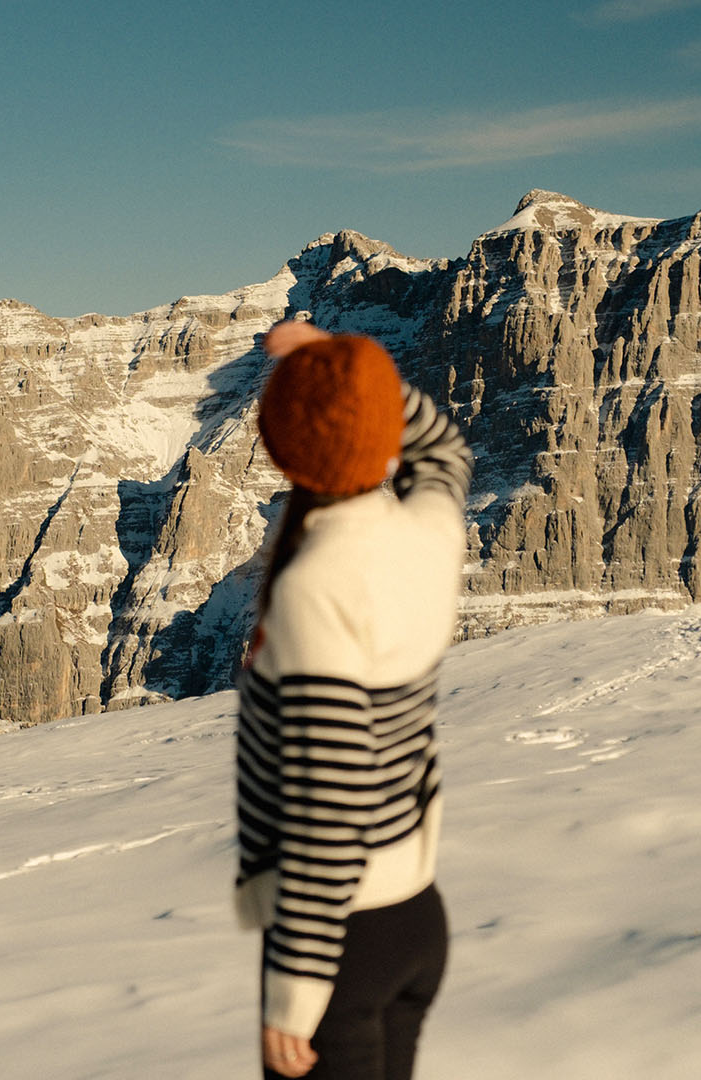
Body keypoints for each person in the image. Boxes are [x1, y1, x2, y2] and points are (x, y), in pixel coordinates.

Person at [234, 319, 473, 1080]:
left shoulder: (316, 587)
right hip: (415, 916)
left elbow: (329, 803)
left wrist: (294, 996)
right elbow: (446, 450)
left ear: (280, 449)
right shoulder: (426, 529)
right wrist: (351, 384)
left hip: (345, 946)